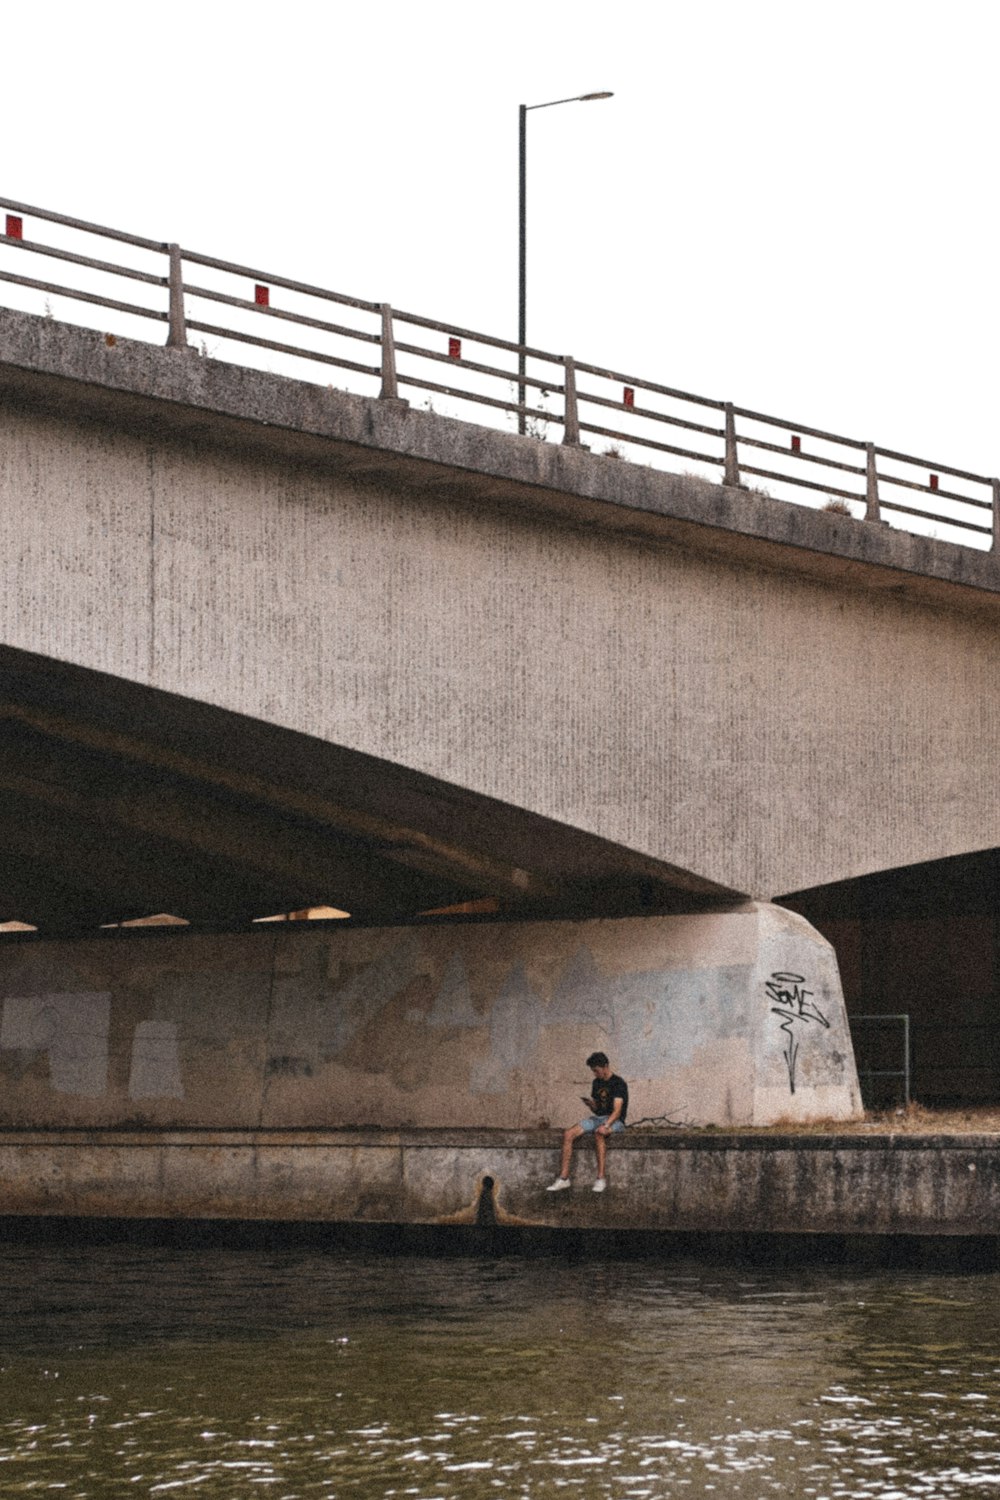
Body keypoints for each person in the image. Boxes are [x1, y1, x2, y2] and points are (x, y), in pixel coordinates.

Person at [546, 1051, 628, 1194]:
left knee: (599, 1133)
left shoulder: (618, 1083)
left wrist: (606, 1125)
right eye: (593, 1071)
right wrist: (592, 1105)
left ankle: (600, 1178)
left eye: (596, 1070)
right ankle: (564, 1178)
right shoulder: (596, 1083)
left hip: (615, 1121)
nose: (595, 1074)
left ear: (605, 1066)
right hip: (599, 1118)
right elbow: (598, 1110)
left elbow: (617, 1111)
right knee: (568, 1133)